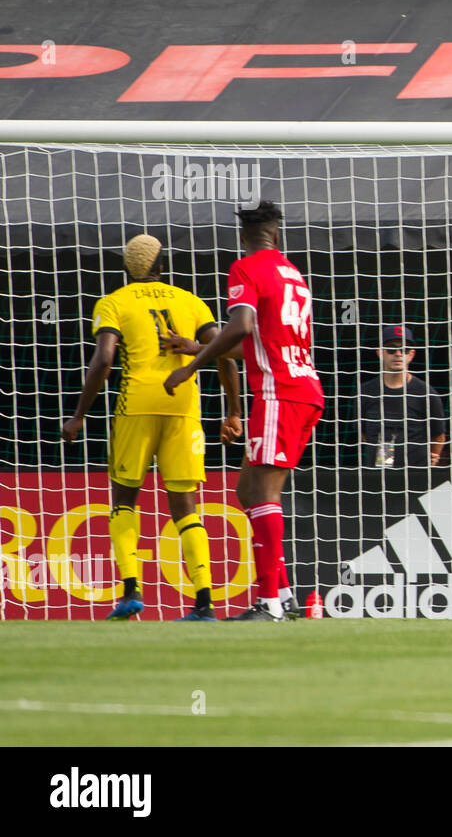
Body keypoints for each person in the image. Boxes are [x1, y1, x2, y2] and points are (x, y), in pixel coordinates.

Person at [60, 233, 242, 622]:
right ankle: (205, 602)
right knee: (185, 507)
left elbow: (104, 360)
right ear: (163, 265)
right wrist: (233, 412)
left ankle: (130, 593)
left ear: (128, 268)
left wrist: (79, 414)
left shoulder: (113, 302)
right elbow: (227, 354)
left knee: (124, 498)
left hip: (137, 405)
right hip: (183, 407)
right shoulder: (190, 301)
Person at [164, 201, 325, 622]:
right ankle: (285, 594)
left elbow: (240, 328)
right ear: (277, 234)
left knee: (264, 494)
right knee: (248, 491)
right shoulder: (294, 274)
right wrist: (198, 347)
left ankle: (269, 602)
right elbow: (257, 343)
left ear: (243, 237)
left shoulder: (246, 269)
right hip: (302, 389)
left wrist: (190, 370)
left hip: (278, 393)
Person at [359, 324, 447, 471]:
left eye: (404, 349)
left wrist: (429, 459)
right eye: (391, 349)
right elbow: (362, 433)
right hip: (376, 474)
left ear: (411, 354)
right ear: (380, 353)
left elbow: (438, 435)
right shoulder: (365, 392)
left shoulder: (426, 393)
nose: (398, 353)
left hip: (416, 474)